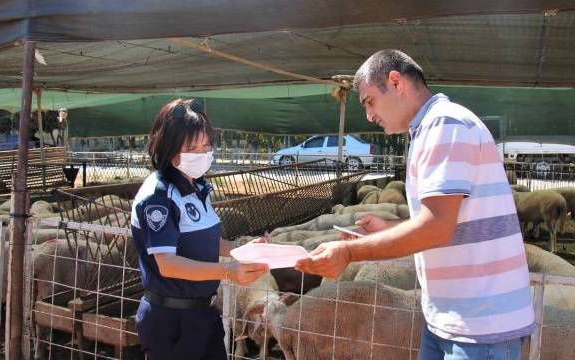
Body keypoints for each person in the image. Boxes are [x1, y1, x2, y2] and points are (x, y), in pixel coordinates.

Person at [296, 50, 534, 360]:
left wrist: (349, 252)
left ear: (395, 82)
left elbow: (436, 228)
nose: (369, 115)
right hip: (449, 318)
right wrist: (388, 231)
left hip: (479, 325)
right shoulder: (428, 130)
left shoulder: (445, 125)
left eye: (369, 101)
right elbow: (444, 221)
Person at [131, 98, 268, 360]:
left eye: (206, 146)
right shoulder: (157, 197)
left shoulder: (196, 187)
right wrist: (229, 272)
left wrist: (240, 250)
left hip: (203, 312)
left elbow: (200, 242)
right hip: (171, 320)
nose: (203, 154)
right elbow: (168, 263)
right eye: (192, 148)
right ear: (171, 149)